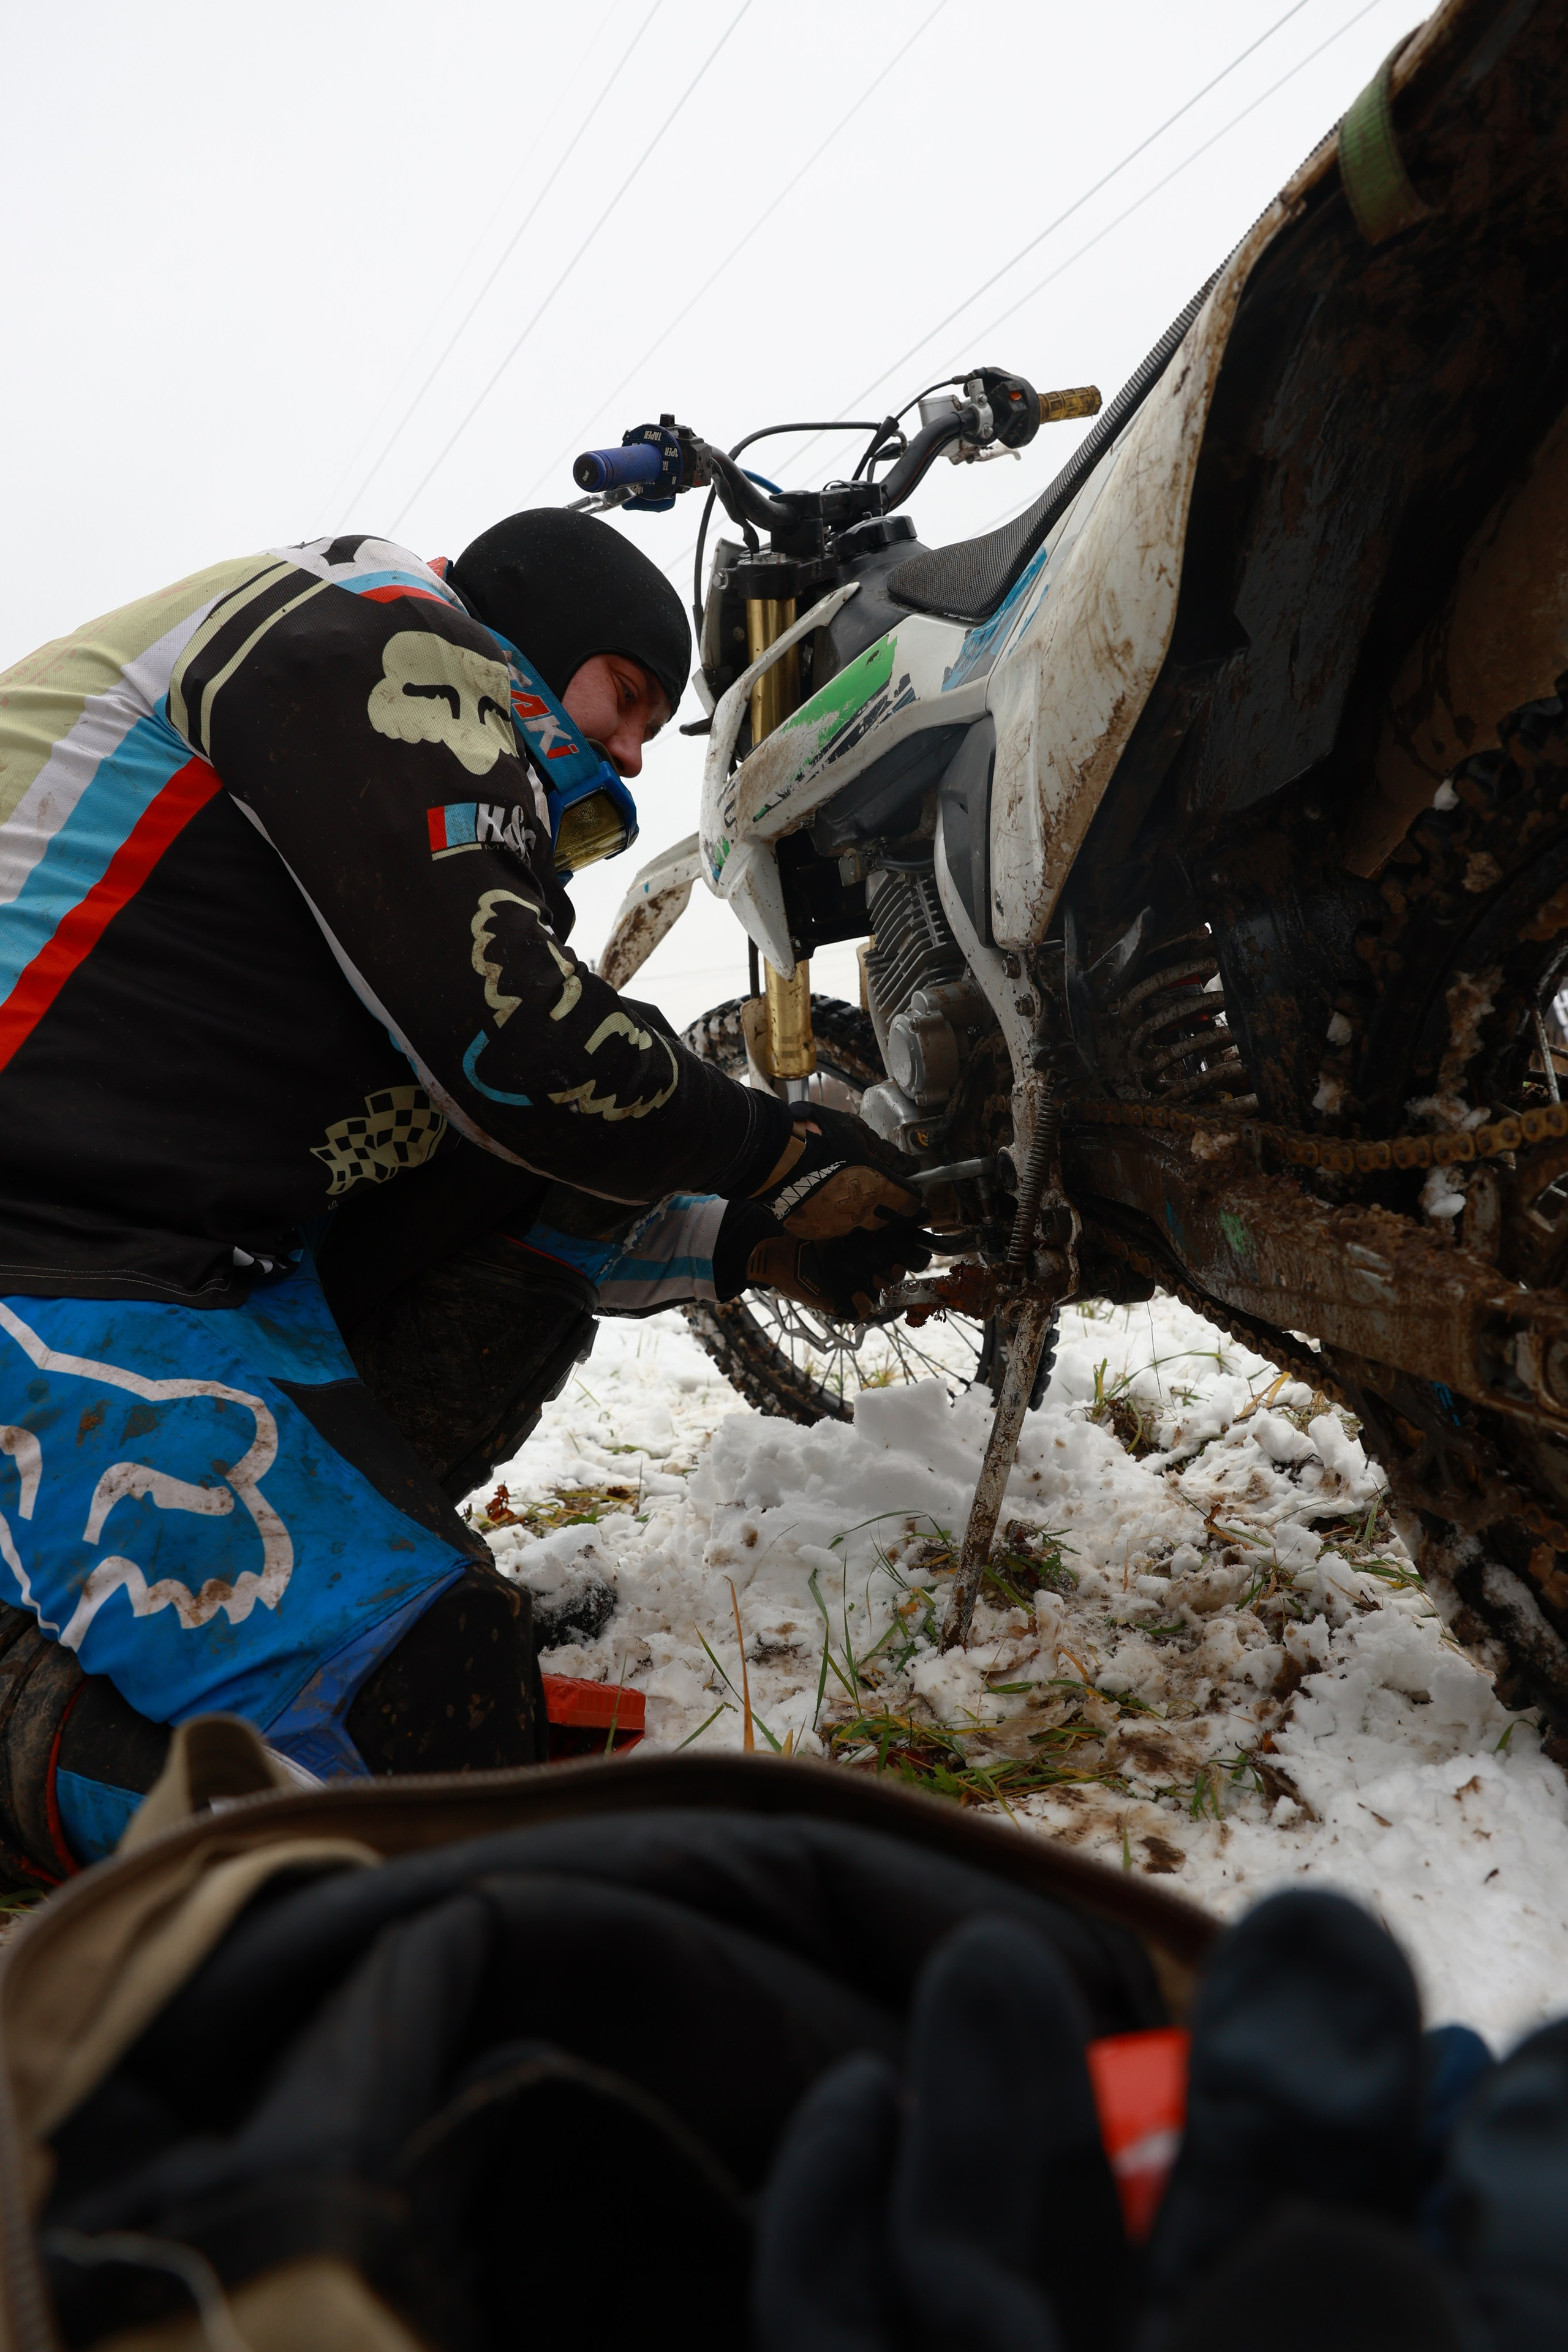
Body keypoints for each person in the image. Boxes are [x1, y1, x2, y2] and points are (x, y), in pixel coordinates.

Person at [0, 510, 926, 1879]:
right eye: (622, 695)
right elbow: (529, 1050)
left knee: (559, 1178)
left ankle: (272, 1599)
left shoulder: (355, 879)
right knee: (412, 1751)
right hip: (47, 1243)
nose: (625, 750)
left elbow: (510, 1162)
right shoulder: (368, 629)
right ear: (528, 636)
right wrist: (777, 1151)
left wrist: (748, 1247)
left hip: (183, 1252)